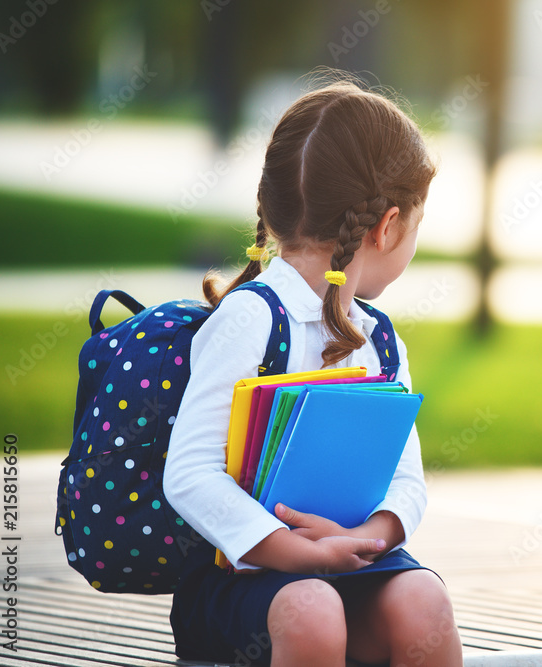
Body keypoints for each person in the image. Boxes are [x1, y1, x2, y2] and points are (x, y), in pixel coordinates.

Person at [163, 78, 462, 667]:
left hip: (353, 556)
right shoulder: (252, 320)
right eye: (418, 229)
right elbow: (189, 474)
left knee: (424, 600)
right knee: (314, 612)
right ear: (388, 227)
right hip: (250, 575)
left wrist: (366, 537)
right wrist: (295, 554)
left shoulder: (379, 339)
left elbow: (407, 479)